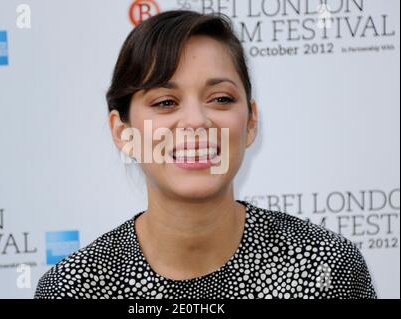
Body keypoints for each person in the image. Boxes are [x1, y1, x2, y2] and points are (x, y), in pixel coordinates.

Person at [35, 10, 376, 299]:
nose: (196, 122)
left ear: (251, 121)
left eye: (221, 98)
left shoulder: (324, 268)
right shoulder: (75, 288)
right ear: (123, 132)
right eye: (165, 103)